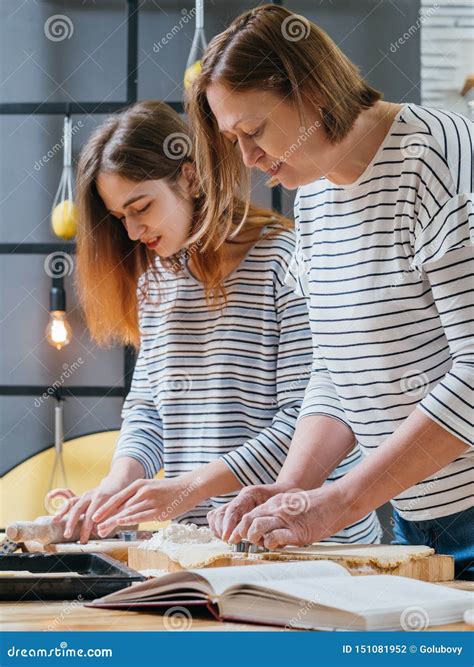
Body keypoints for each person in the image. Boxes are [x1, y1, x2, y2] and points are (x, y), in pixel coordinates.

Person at [187, 4, 473, 578]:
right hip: (418, 520)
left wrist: (341, 503)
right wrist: (291, 492)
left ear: (313, 91)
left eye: (255, 131)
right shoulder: (314, 196)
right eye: (232, 139)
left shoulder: (440, 157)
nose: (247, 159)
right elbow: (340, 369)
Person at [52, 100, 381, 546]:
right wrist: (116, 485)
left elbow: (304, 422)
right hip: (210, 544)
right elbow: (149, 412)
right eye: (119, 217)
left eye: (141, 206)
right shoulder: (156, 283)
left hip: (310, 538)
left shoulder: (285, 262)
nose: (132, 232)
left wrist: (191, 487)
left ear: (189, 176)